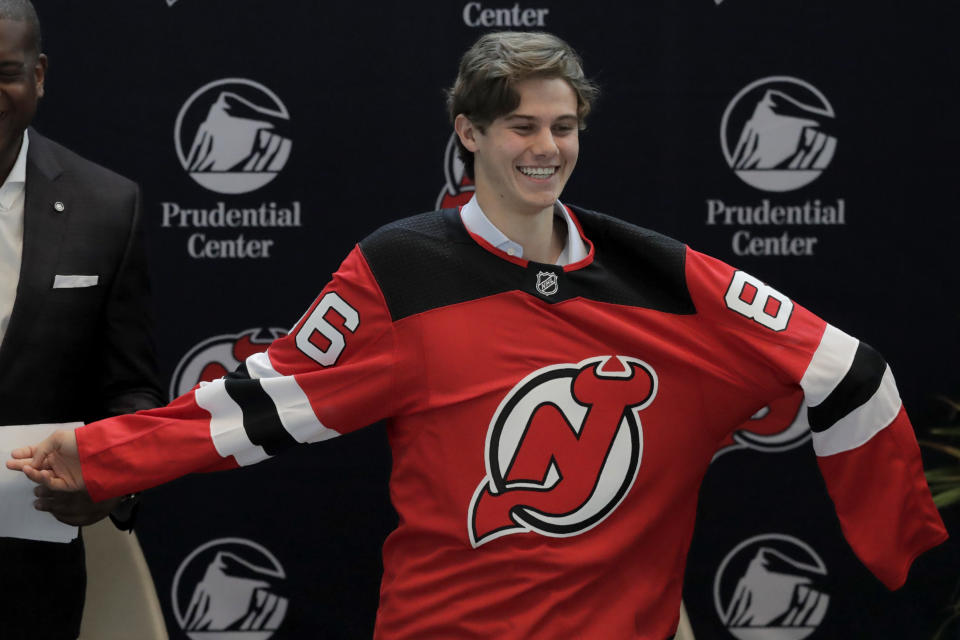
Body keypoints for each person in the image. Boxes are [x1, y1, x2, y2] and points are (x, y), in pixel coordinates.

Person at [9, 31, 946, 639]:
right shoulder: (400, 271)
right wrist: (100, 453)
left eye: (564, 126)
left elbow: (846, 370)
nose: (546, 148)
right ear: (469, 132)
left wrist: (895, 535)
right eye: (521, 127)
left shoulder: (662, 278)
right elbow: (259, 406)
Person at [0, 0, 162, 637]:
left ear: (38, 75)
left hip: (27, 585)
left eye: (5, 71)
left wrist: (109, 480)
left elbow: (130, 387)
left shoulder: (105, 206)